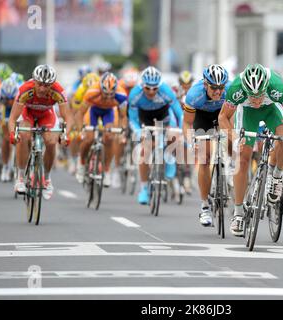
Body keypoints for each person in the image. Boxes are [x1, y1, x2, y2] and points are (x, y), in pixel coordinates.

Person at [219, 63, 283, 236]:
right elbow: (223, 117)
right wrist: (235, 139)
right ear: (245, 90)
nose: (257, 100)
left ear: (266, 87)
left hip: (271, 109)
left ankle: (277, 176)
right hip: (247, 114)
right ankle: (238, 213)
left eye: (260, 96)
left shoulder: (276, 86)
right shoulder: (236, 88)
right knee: (243, 158)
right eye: (252, 96)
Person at [8, 64, 74, 199]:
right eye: (39, 84)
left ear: (52, 84)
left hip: (46, 114)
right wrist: (12, 133)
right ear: (34, 81)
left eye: (47, 85)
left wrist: (66, 134)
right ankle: (20, 177)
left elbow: (68, 116)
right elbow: (13, 118)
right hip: (28, 113)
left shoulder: (58, 91)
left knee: (51, 141)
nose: (43, 88)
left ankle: (47, 179)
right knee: (23, 135)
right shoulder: (25, 89)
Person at [183, 64, 230, 227]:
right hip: (202, 117)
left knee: (234, 143)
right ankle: (204, 206)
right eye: (213, 88)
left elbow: (238, 116)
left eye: (221, 87)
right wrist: (190, 142)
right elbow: (187, 123)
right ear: (205, 85)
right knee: (205, 157)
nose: (218, 91)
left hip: (224, 114)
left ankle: (230, 171)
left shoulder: (230, 91)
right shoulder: (194, 96)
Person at [128, 66, 183, 205]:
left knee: (173, 136)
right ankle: (144, 188)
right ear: (142, 85)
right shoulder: (135, 94)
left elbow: (178, 113)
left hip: (162, 115)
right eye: (148, 88)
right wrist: (137, 131)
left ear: (159, 86)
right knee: (145, 150)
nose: (151, 91)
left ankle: (169, 158)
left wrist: (181, 129)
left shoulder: (166, 91)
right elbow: (132, 118)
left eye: (155, 88)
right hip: (144, 118)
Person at [76, 72, 128, 188]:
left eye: (111, 94)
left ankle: (107, 170)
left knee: (109, 137)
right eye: (106, 93)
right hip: (93, 111)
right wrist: (81, 130)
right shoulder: (92, 92)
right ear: (100, 88)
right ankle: (81, 163)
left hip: (108, 112)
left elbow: (122, 116)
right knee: (88, 138)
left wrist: (121, 131)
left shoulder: (121, 94)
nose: (108, 97)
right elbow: (80, 113)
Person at [0, 77, 22, 181]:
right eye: (6, 98)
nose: (9, 101)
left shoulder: (20, 93)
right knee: (6, 138)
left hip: (18, 108)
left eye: (11, 98)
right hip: (5, 111)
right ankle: (5, 166)